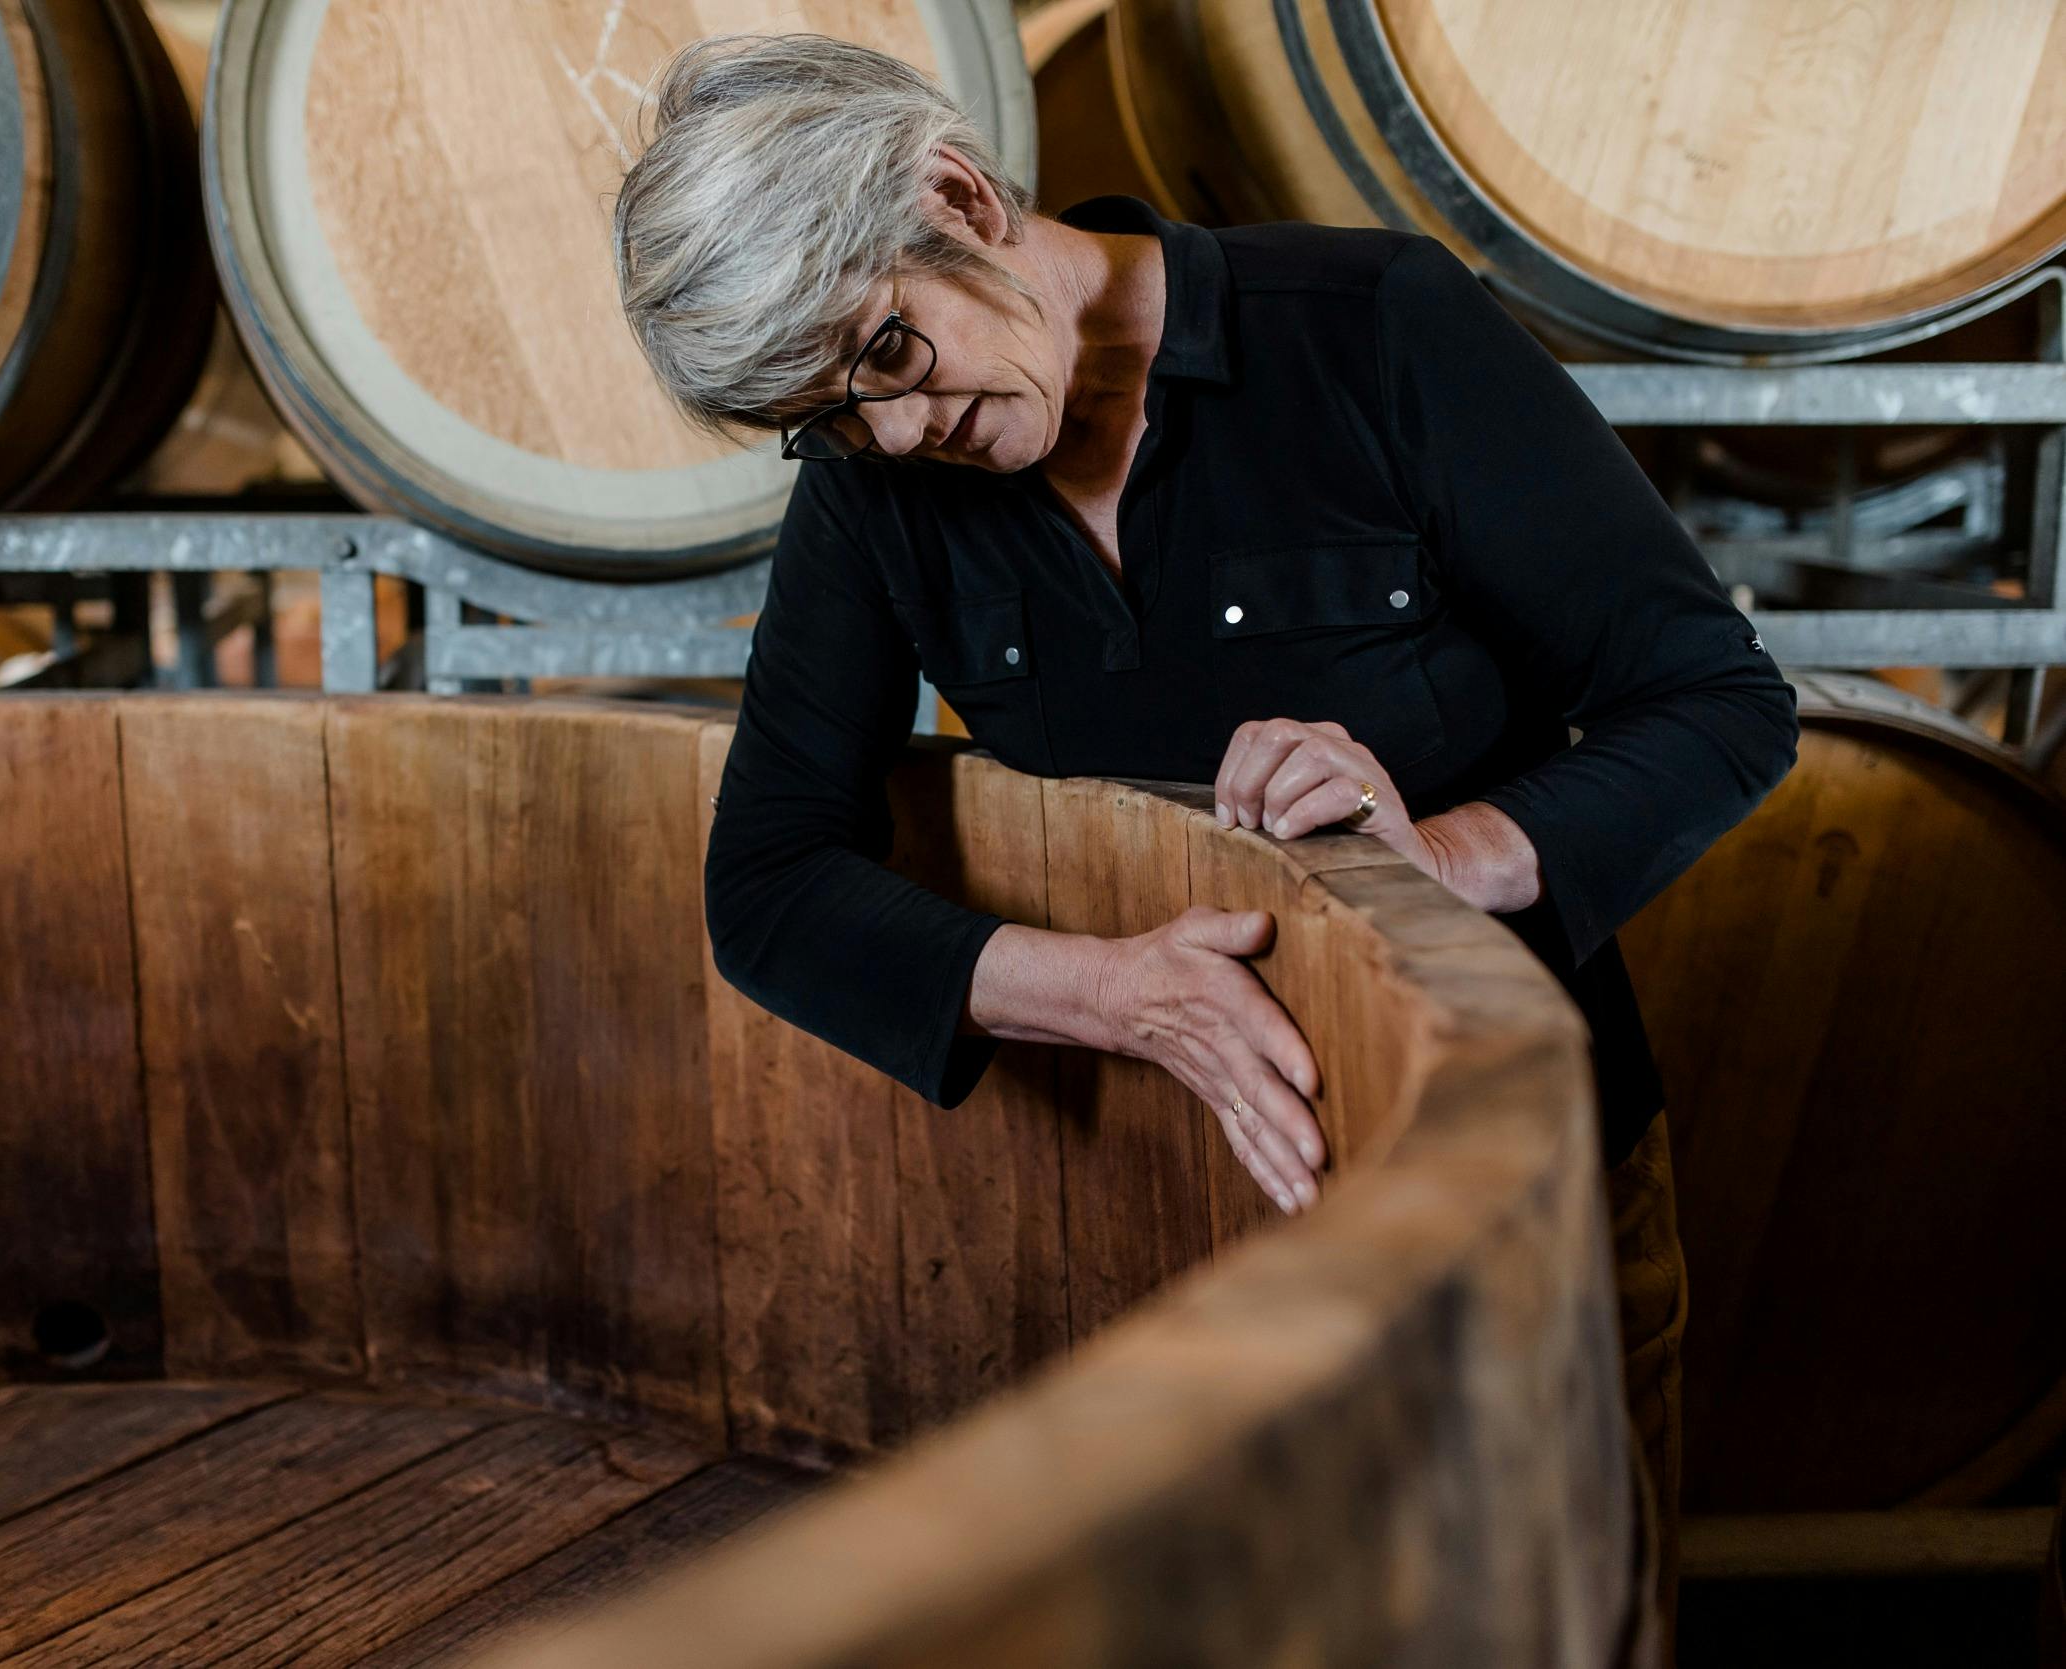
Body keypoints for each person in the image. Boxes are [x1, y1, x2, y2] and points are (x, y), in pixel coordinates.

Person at [613, 33, 1796, 1663]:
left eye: (888, 350)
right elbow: (764, 885)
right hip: (1157, 1242)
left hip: (1508, 1187)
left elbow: (1720, 704)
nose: (896, 433)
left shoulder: (1375, 327)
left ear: (960, 195)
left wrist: (1447, 857)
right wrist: (1119, 993)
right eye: (827, 415)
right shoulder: (878, 488)